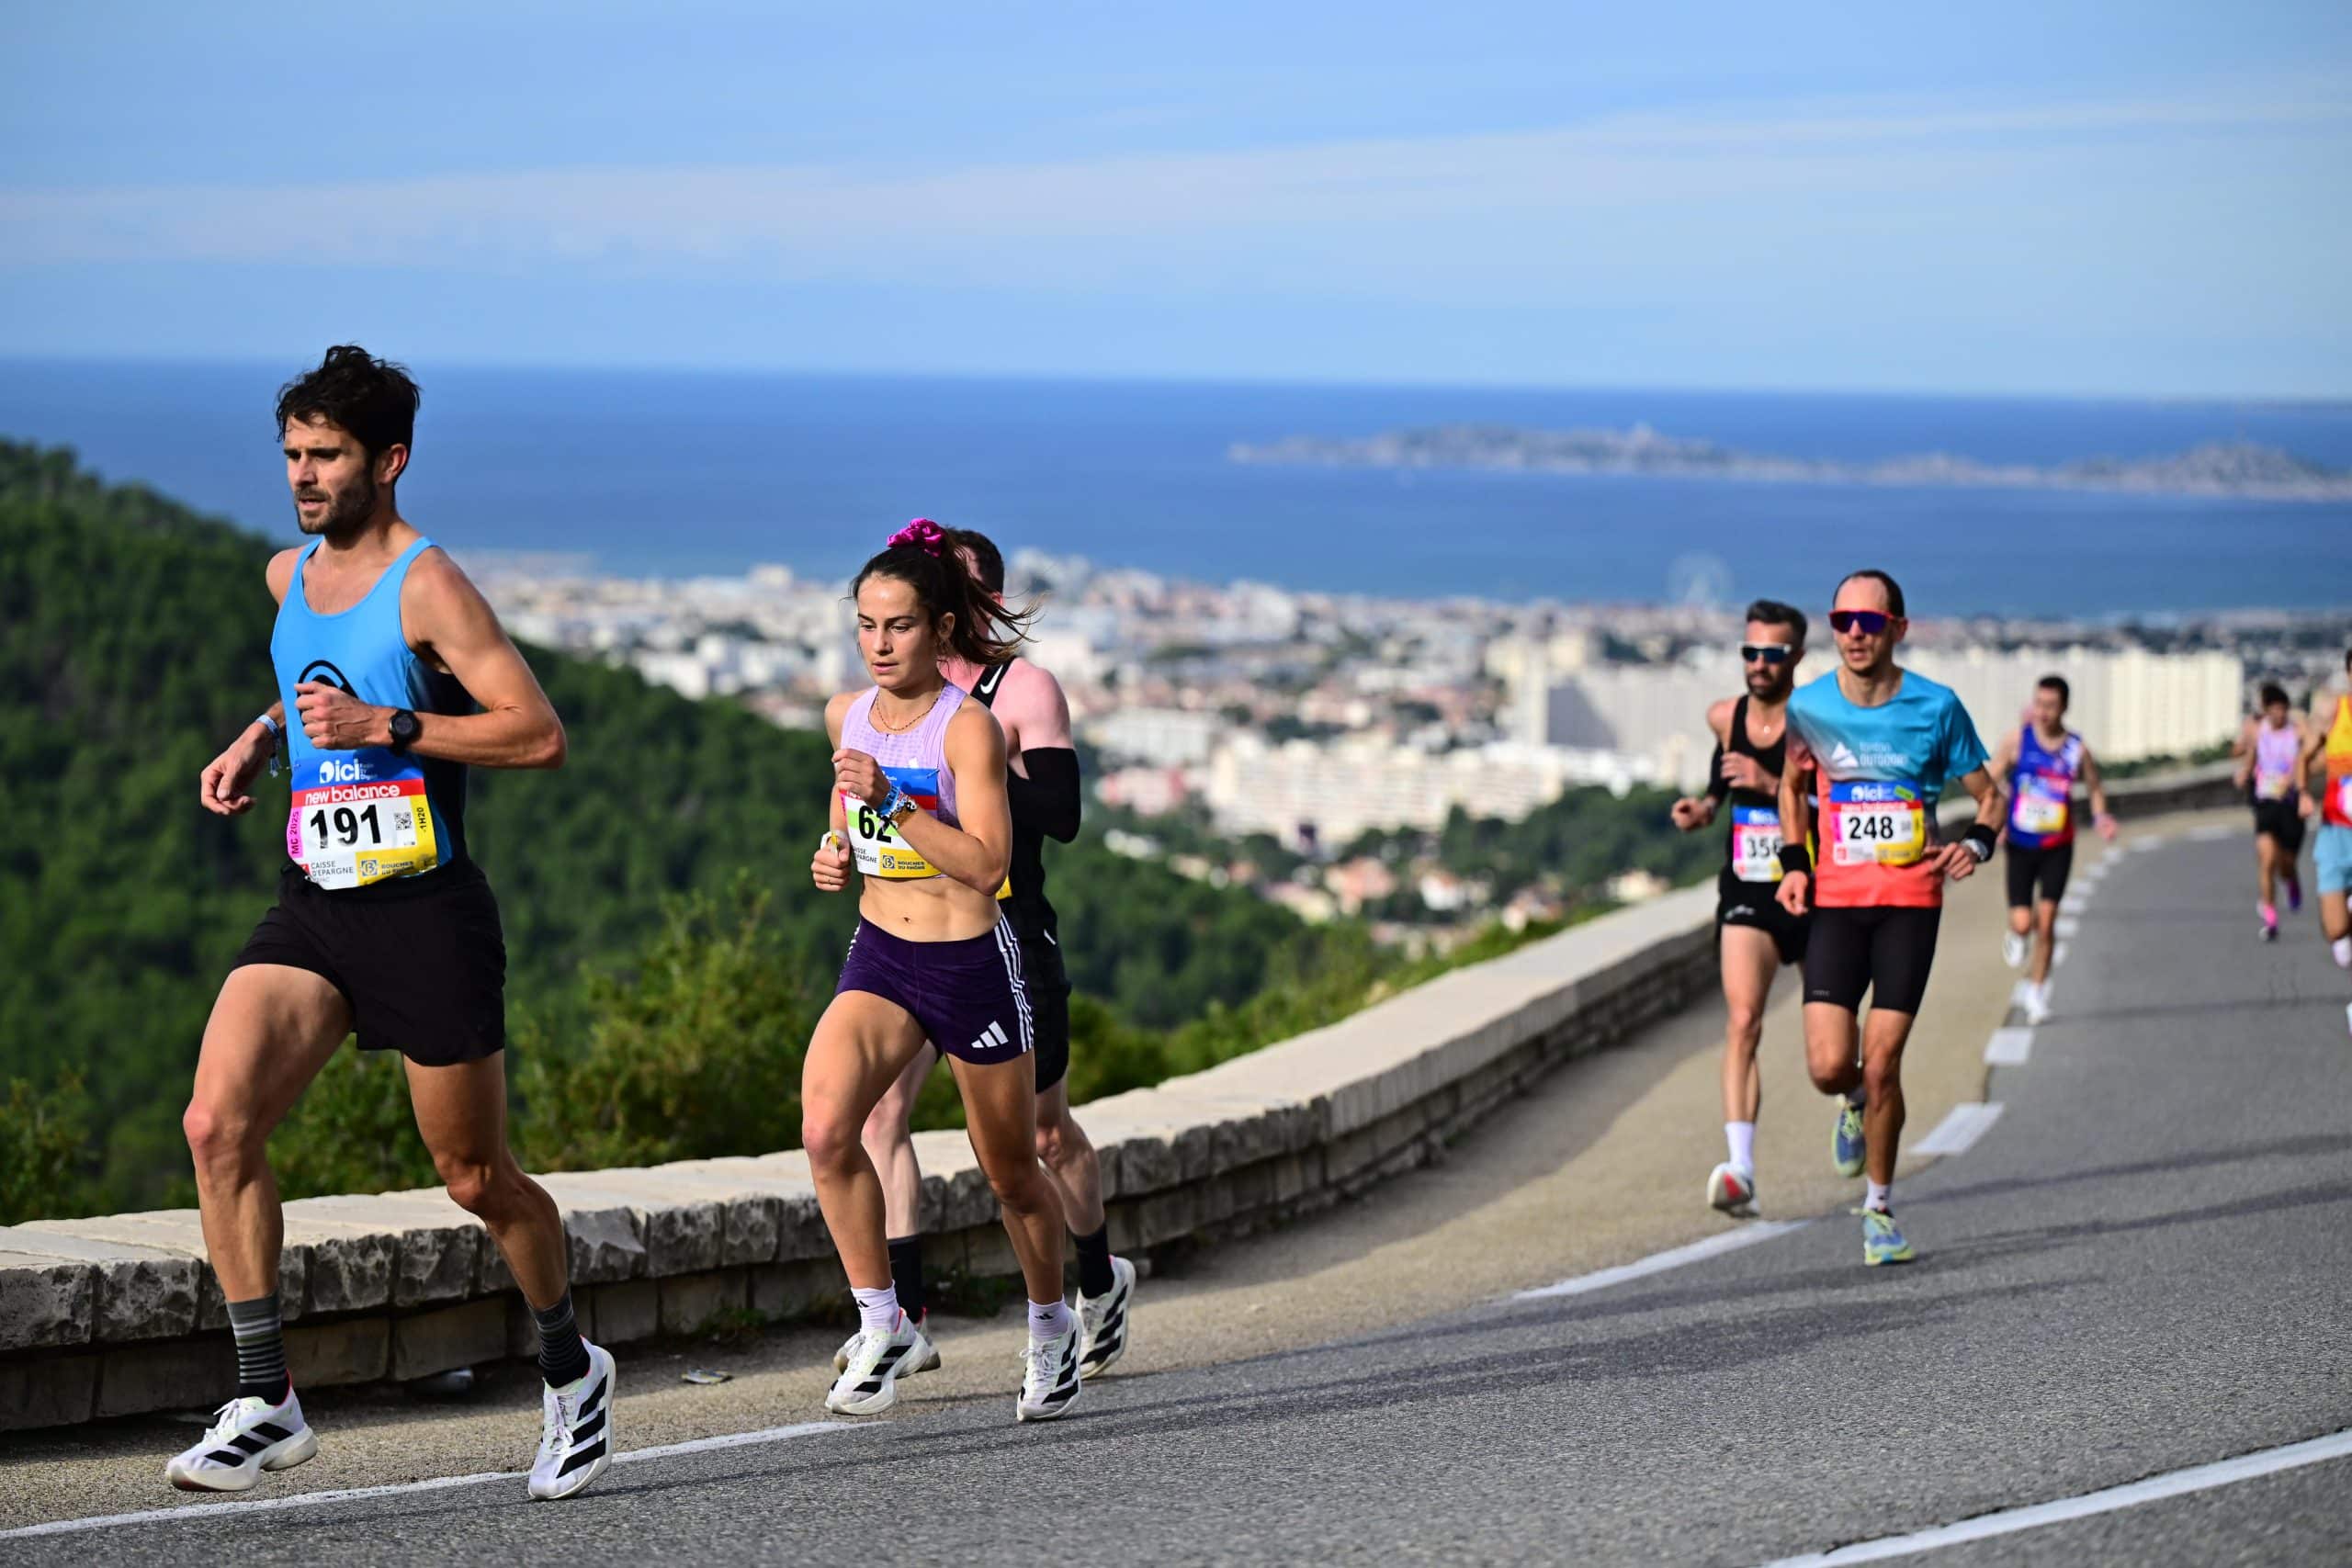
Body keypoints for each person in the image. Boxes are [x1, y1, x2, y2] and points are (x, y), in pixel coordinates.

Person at [175, 346, 611, 1500]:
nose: (303, 476)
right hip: (317, 902)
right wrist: (262, 734)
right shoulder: (288, 574)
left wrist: (389, 727)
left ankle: (571, 1369)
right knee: (217, 1124)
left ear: (391, 460)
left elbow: (537, 734)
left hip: (426, 910)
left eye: (327, 456)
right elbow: (317, 678)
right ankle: (266, 1398)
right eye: (292, 454)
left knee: (474, 1177)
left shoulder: (431, 585)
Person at [834, 528, 1136, 1388]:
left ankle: (1096, 1277)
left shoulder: (1019, 690)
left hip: (1008, 929)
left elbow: (1064, 814)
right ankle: (905, 1321)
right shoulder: (892, 699)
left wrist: (974, 769)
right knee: (877, 1118)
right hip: (911, 935)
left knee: (1041, 1135)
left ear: (984, 604)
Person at [1774, 570, 2004, 1267]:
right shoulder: (1809, 706)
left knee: (1883, 1064)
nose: (1854, 634)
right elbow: (1791, 787)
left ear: (1898, 629)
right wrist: (1794, 862)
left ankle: (1878, 1208)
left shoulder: (1936, 707)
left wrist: (1975, 844)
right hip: (1837, 905)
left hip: (1911, 903)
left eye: (1869, 622)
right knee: (1829, 1065)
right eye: (1842, 621)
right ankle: (1848, 1100)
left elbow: (1990, 797)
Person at [1669, 599, 1811, 1216]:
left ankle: (1853, 1095)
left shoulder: (1816, 722)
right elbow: (1720, 786)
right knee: (1743, 1020)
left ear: (1796, 657)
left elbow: (1836, 801)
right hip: (1750, 889)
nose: (1758, 664)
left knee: (1828, 1055)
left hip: (1813, 888)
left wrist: (1769, 781)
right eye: (1750, 652)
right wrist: (1701, 810)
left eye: (1771, 654)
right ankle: (1740, 1168)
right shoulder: (1725, 717)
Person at [1987, 675, 2117, 1023]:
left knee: (2046, 923)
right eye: (2039, 704)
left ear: (2064, 707)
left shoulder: (2076, 749)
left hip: (2057, 845)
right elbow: (1989, 780)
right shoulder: (2018, 740)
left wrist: (2102, 816)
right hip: (2020, 844)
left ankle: (2037, 991)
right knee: (2023, 921)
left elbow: (2095, 787)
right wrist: (1994, 817)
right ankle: (2017, 933)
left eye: (2051, 706)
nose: (2043, 712)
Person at [2299, 648, 2352, 1036]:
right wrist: (2303, 792)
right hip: (2335, 834)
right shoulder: (2334, 713)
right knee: (2335, 930)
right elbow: (2304, 758)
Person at [2232, 685, 2309, 942]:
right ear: (2266, 710)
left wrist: (2297, 783)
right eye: (2273, 709)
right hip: (2265, 801)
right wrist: (2244, 770)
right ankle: (2270, 916)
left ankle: (2291, 880)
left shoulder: (2297, 729)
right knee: (2266, 860)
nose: (2279, 714)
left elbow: (2310, 754)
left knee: (2286, 864)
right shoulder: (2256, 729)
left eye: (2282, 709)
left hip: (2290, 803)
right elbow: (2243, 752)